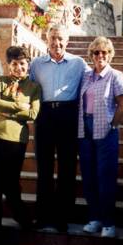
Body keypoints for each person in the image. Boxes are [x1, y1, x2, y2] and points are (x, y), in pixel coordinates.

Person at [0, 46, 41, 245]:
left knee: (11, 186)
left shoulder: (34, 87)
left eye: (22, 63)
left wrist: (10, 107)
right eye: (14, 63)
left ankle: (23, 218)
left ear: (28, 64)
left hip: (16, 141)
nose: (19, 67)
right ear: (9, 65)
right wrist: (18, 108)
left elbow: (33, 113)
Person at [30, 24, 89, 232]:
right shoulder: (35, 64)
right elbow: (26, 88)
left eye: (61, 38)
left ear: (68, 41)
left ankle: (62, 217)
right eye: (53, 38)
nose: (57, 42)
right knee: (44, 168)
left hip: (68, 116)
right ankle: (43, 216)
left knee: (67, 168)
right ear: (47, 40)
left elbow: (94, 81)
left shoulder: (79, 63)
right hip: (44, 115)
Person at [78, 36, 123, 238]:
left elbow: (122, 105)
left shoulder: (115, 75)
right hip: (85, 130)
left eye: (104, 52)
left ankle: (108, 222)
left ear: (110, 55)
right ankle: (94, 218)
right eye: (96, 52)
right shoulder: (87, 76)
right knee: (89, 175)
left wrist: (112, 125)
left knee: (105, 177)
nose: (100, 55)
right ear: (91, 55)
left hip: (105, 131)